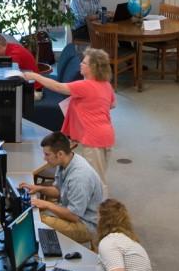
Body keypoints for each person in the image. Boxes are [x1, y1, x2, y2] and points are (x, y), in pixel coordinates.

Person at [23, 48, 115, 193]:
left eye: (84, 63)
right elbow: (112, 104)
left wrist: (36, 76)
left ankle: (99, 213)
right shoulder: (106, 85)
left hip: (94, 138)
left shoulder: (85, 86)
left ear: (93, 68)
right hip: (106, 135)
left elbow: (58, 87)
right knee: (97, 175)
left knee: (96, 180)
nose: (80, 65)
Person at [19, 132, 103, 244]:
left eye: (47, 154)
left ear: (60, 154)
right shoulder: (65, 162)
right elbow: (59, 191)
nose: (44, 158)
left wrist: (47, 204)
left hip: (85, 225)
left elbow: (73, 216)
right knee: (35, 213)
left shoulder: (79, 177)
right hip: (71, 211)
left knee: (37, 221)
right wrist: (38, 188)